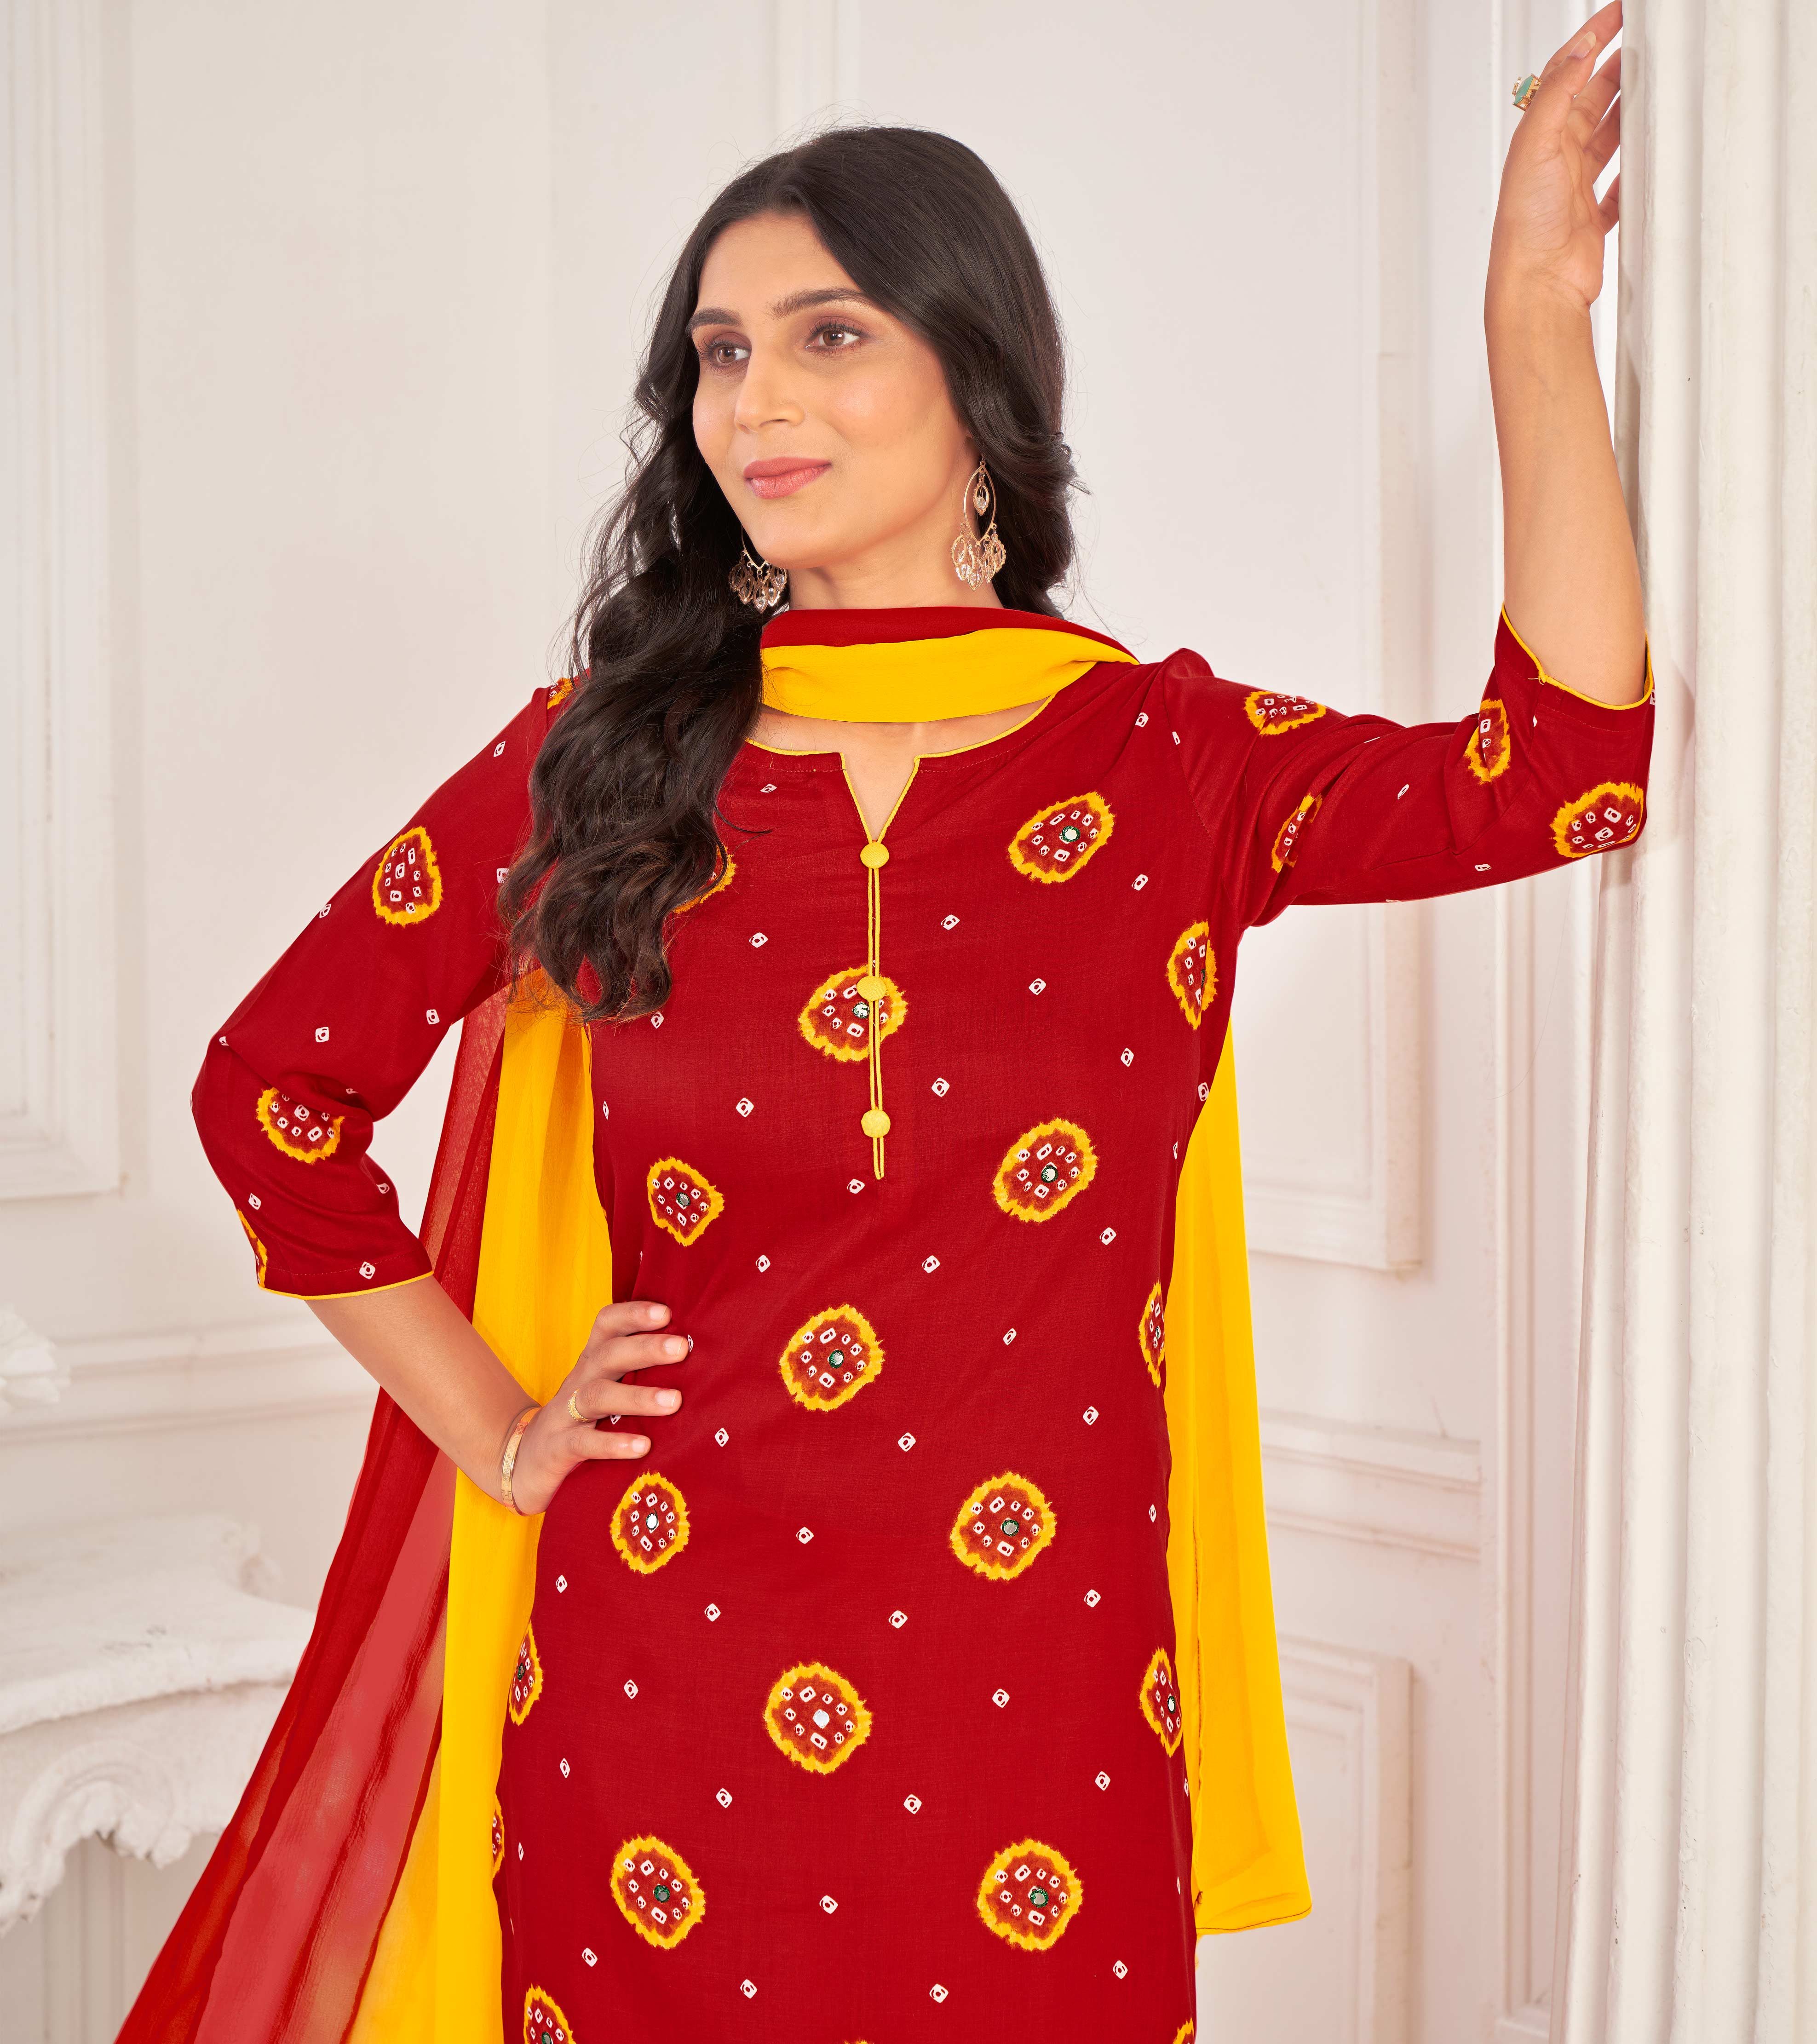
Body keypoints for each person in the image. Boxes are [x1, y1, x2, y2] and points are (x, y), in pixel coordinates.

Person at [126, 10, 1650, 2039]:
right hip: (654, 1687)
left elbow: (1562, 778)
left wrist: (1532, 310)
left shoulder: (1165, 761)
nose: (752, 398)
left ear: (976, 368)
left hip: (1038, 1715)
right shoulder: (605, 762)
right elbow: (272, 1095)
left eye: (824, 335)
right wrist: (499, 1428)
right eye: (718, 353)